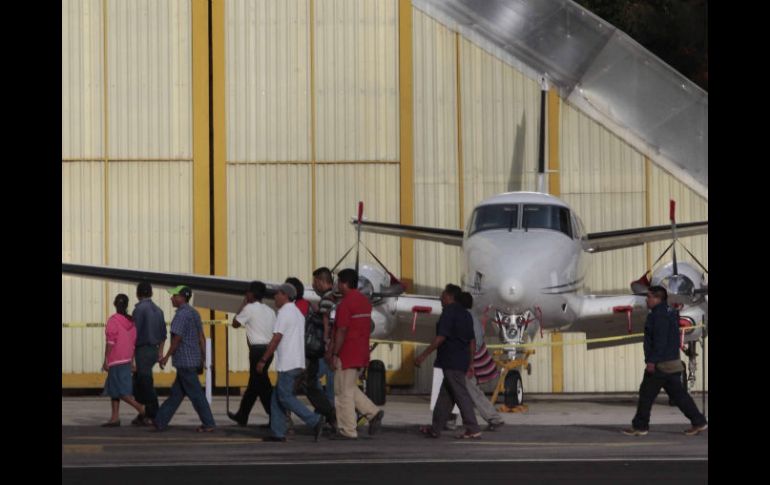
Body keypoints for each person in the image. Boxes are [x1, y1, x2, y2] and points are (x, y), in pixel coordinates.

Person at [623, 286, 708, 436]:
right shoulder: (670, 312)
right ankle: (699, 422)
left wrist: (652, 361)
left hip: (660, 365)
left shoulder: (658, 316)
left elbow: (660, 341)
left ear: (657, 298)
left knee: (646, 395)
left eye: (649, 297)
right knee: (680, 396)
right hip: (672, 362)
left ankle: (640, 426)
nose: (646, 300)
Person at [257, 284, 325, 442]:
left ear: (285, 295)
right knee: (276, 398)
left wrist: (263, 360)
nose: (275, 297)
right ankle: (278, 433)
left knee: (285, 397)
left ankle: (315, 420)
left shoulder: (285, 313)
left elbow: (276, 338)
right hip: (297, 361)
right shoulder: (297, 312)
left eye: (277, 294)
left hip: (288, 363)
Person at [415, 284, 480, 439]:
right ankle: (435, 428)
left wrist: (423, 355)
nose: (440, 298)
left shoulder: (449, 313)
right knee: (445, 396)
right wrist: (471, 363)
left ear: (450, 297)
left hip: (451, 361)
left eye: (443, 295)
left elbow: (441, 337)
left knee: (460, 395)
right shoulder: (466, 315)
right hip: (461, 361)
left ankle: (473, 427)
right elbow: (472, 341)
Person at [325, 268, 384, 440]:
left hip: (347, 353)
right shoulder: (365, 302)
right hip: (361, 351)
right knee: (349, 387)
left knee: (342, 392)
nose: (337, 285)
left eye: (338, 282)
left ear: (344, 283)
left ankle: (347, 430)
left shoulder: (345, 304)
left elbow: (341, 330)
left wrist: (334, 353)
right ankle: (373, 412)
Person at [153, 286, 216, 433]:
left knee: (196, 395)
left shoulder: (181, 315)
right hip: (193, 360)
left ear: (182, 297)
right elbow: (201, 337)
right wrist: (204, 357)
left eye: (174, 296)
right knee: (176, 394)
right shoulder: (194, 313)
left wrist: (166, 357)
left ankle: (208, 423)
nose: (171, 298)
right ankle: (160, 420)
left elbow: (177, 339)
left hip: (184, 361)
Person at [285, 276, 337, 430]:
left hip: (302, 355)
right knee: (311, 387)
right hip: (312, 353)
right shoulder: (309, 305)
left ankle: (291, 422)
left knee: (286, 390)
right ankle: (330, 416)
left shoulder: (296, 308)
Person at [227, 281, 277, 427]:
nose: (245, 294)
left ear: (252, 294)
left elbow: (235, 323)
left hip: (257, 351)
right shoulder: (270, 310)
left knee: (262, 386)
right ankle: (242, 415)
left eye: (247, 292)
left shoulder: (249, 308)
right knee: (254, 385)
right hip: (268, 350)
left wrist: (242, 305)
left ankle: (275, 416)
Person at [457, 292, 505, 431]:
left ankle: (494, 418)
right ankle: (446, 420)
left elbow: (476, 343)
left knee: (472, 391)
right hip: (461, 361)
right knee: (451, 390)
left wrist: (469, 362)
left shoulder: (468, 319)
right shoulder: (471, 318)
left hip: (464, 361)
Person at [101, 294, 145, 427]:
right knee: (114, 390)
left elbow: (110, 342)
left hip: (115, 360)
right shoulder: (131, 322)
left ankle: (141, 409)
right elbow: (133, 343)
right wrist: (131, 361)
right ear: (127, 305)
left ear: (115, 304)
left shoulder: (113, 320)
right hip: (126, 359)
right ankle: (115, 418)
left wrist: (106, 360)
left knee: (120, 392)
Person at [131, 281, 166, 426]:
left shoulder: (139, 310)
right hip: (154, 350)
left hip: (142, 350)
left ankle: (152, 414)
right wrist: (160, 353)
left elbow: (133, 336)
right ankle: (143, 414)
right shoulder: (159, 310)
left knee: (145, 383)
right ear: (151, 293)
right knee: (142, 381)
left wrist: (131, 359)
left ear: (138, 294)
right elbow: (163, 335)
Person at [311, 267, 336, 406]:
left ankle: (326, 407)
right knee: (332, 380)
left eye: (315, 282)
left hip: (327, 347)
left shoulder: (326, 299)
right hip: (333, 345)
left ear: (321, 281)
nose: (314, 286)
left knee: (313, 376)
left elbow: (326, 322)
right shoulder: (336, 296)